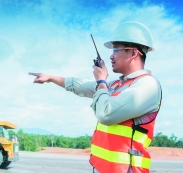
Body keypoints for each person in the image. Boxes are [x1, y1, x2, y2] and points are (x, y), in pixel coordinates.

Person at [29, 21, 162, 173]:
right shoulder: (118, 85)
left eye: (116, 50)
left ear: (133, 53)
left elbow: (106, 114)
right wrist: (51, 78)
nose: (111, 56)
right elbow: (81, 85)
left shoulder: (147, 85)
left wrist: (101, 81)